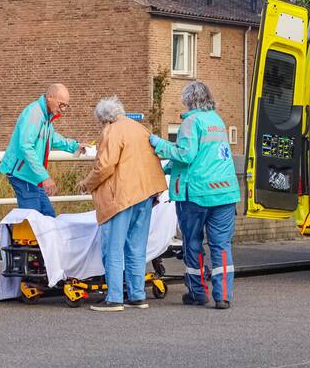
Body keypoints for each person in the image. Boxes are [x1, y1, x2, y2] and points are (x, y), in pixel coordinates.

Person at [149, 80, 240, 309]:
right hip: (225, 192)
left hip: (196, 194)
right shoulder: (217, 121)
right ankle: (223, 295)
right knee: (221, 245)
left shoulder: (191, 122)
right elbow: (203, 157)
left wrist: (158, 144)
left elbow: (186, 155)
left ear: (188, 100)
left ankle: (198, 292)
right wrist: (168, 167)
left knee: (193, 243)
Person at [80, 97, 167, 312]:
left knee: (113, 248)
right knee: (136, 248)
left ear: (105, 120)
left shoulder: (112, 131)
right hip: (145, 195)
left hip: (121, 197)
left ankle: (115, 298)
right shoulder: (141, 129)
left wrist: (86, 184)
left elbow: (104, 167)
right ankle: (137, 295)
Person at [0, 83, 86, 217]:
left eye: (66, 106)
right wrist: (44, 177)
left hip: (32, 175)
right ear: (50, 97)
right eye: (61, 104)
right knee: (34, 220)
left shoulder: (45, 116)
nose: (63, 109)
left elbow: (51, 137)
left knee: (48, 215)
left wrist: (75, 146)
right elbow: (26, 146)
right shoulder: (34, 114)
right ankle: (19, 238)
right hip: (23, 174)